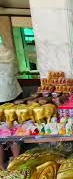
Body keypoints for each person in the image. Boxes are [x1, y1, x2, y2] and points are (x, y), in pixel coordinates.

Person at [0, 40, 22, 169]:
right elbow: (15, 72)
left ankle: (2, 167)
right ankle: (16, 160)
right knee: (16, 130)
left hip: (6, 97)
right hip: (14, 96)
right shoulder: (8, 56)